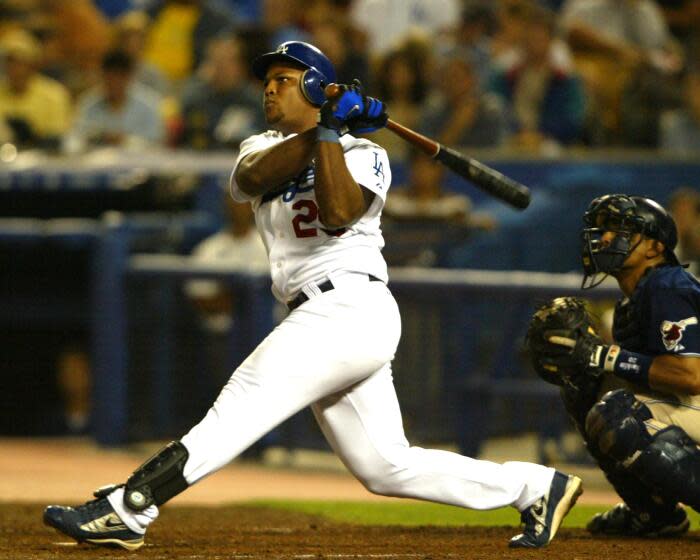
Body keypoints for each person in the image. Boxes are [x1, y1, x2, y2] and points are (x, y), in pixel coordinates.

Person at [43, 40, 582, 551]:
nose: (269, 90)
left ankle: (130, 506)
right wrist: (325, 124)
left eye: (284, 80)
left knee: (242, 400)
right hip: (320, 313)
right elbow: (253, 179)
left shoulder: (367, 153)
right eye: (268, 81)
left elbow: (339, 212)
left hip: (349, 308)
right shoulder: (261, 146)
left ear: (318, 86)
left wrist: (333, 130)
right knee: (386, 466)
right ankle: (534, 487)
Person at [534, 194, 700, 537]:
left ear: (654, 247)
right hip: (689, 406)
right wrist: (594, 364)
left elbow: (690, 376)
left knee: (618, 415)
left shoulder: (666, 285)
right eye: (603, 229)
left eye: (621, 230)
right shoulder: (635, 298)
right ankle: (654, 513)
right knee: (586, 385)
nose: (605, 238)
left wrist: (605, 356)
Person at [64, 48, 165, 152]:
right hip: (96, 164)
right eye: (110, 77)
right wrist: (98, 138)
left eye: (120, 77)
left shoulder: (149, 103)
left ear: (130, 77)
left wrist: (126, 140)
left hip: (139, 164)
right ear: (102, 76)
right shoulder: (88, 103)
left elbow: (157, 143)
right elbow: (74, 140)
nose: (115, 83)